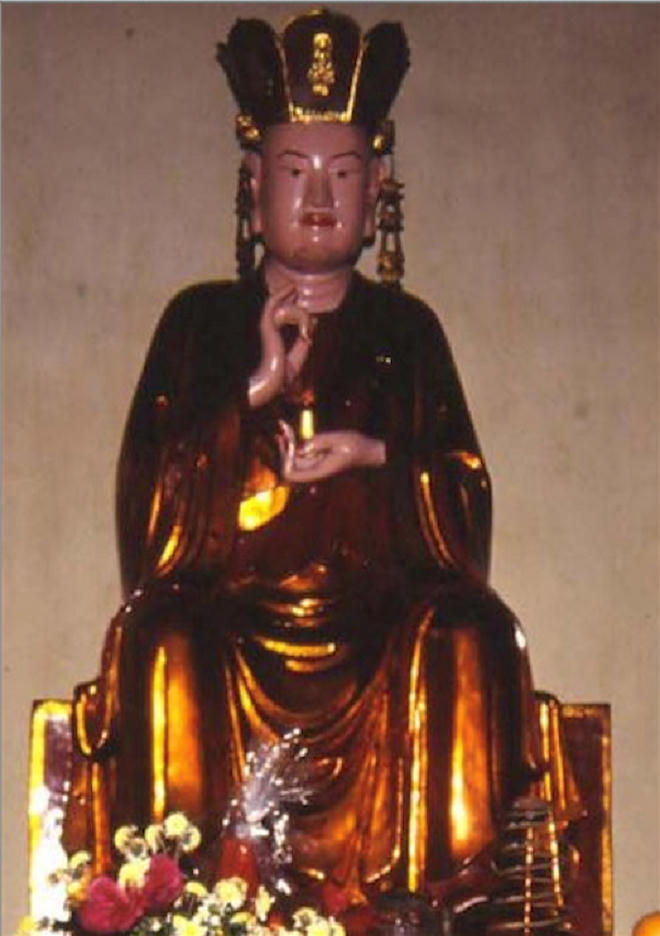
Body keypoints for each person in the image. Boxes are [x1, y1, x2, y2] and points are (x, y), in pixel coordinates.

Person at [64, 9, 541, 912]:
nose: (319, 195)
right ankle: (186, 905)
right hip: (230, 619)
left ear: (378, 189)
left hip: (381, 627)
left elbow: (464, 495)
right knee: (161, 637)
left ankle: (444, 910)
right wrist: (251, 392)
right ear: (253, 186)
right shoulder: (199, 321)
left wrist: (376, 456)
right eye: (294, 171)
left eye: (343, 172)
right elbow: (148, 506)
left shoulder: (407, 331)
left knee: (471, 630)